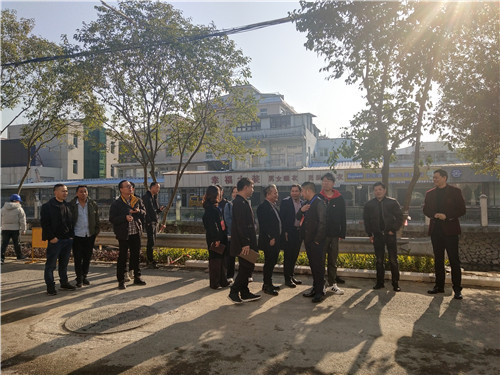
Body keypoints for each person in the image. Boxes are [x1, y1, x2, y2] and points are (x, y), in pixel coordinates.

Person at [423, 169, 466, 300]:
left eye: (436, 177)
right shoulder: (429, 193)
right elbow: (425, 209)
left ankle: (457, 289)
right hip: (436, 230)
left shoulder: (455, 191)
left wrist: (447, 216)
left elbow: (462, 210)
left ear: (444, 178)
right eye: (433, 178)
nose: (434, 180)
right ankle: (439, 286)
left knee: (454, 260)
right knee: (438, 260)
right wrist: (434, 215)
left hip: (451, 230)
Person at [363, 182, 404, 292]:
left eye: (380, 189)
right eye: (375, 190)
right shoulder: (369, 205)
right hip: (377, 235)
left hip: (389, 235)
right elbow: (366, 221)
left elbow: (400, 217)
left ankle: (395, 284)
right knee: (379, 260)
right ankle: (379, 282)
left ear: (384, 190)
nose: (378, 192)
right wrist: (369, 234)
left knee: (393, 260)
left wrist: (393, 229)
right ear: (373, 192)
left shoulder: (392, 202)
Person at [228, 177, 261, 304]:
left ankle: (245, 292)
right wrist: (246, 243)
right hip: (244, 243)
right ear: (246, 187)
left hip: (247, 241)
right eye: (252, 187)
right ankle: (234, 291)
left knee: (247, 267)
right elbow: (241, 225)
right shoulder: (239, 203)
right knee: (246, 268)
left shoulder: (243, 201)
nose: (253, 190)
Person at [109, 180, 147, 290]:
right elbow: (112, 219)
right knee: (123, 257)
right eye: (127, 186)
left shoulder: (137, 200)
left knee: (136, 256)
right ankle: (121, 280)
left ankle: (137, 276)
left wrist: (138, 211)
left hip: (136, 232)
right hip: (124, 234)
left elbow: (144, 213)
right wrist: (124, 218)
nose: (130, 188)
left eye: (130, 186)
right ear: (121, 189)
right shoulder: (117, 203)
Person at [41, 184, 76, 295]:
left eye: (66, 191)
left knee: (64, 264)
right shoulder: (47, 206)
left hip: (67, 240)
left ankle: (64, 283)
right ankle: (50, 286)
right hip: (55, 240)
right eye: (62, 191)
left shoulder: (68, 205)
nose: (65, 193)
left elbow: (71, 222)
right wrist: (51, 237)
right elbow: (45, 224)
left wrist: (71, 236)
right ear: (55, 192)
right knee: (51, 265)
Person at [296, 182, 327, 303]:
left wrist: (317, 240)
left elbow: (323, 223)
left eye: (302, 191)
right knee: (313, 266)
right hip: (308, 240)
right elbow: (298, 217)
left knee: (318, 267)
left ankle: (320, 291)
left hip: (316, 241)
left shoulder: (319, 202)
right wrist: (301, 210)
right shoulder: (305, 203)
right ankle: (315, 288)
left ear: (308, 191)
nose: (301, 194)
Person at [319, 173, 346, 295]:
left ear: (333, 183)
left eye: (329, 181)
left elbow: (343, 217)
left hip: (334, 234)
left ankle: (332, 283)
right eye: (324, 181)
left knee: (333, 260)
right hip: (322, 234)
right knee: (321, 260)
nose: (326, 183)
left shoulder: (339, 198)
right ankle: (321, 284)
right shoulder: (318, 197)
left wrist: (342, 233)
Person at [70, 185, 100, 287]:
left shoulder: (92, 204)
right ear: (76, 193)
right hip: (77, 235)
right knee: (78, 258)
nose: (83, 193)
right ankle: (79, 278)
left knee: (87, 257)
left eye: (85, 191)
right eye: (81, 192)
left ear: (87, 193)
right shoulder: (72, 205)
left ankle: (84, 276)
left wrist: (96, 231)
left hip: (89, 234)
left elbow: (97, 219)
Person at [202, 185, 229, 289]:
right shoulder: (210, 209)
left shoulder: (215, 207)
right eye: (219, 193)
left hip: (220, 236)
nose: (220, 194)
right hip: (215, 238)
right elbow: (212, 226)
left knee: (222, 260)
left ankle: (223, 281)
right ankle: (215, 283)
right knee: (215, 261)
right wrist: (216, 239)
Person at [257, 184, 282, 296]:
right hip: (269, 241)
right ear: (268, 194)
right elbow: (264, 225)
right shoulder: (263, 207)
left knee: (272, 263)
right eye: (274, 192)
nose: (277, 194)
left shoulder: (273, 206)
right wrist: (271, 237)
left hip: (276, 240)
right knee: (269, 263)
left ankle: (269, 283)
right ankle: (267, 286)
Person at [280, 184, 304, 288]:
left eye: (296, 191)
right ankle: (287, 279)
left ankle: (292, 275)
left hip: (299, 232)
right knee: (288, 256)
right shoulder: (285, 202)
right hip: (289, 232)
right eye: (292, 191)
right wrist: (284, 232)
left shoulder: (303, 203)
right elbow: (282, 218)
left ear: (300, 192)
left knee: (295, 255)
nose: (294, 193)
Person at [142, 182, 164, 269]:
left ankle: (150, 260)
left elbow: (153, 211)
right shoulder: (147, 197)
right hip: (149, 222)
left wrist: (159, 210)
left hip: (153, 222)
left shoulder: (153, 197)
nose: (158, 190)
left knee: (152, 241)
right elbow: (147, 211)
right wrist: (148, 221)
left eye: (159, 188)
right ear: (152, 187)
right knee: (150, 242)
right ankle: (150, 260)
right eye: (157, 187)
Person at [1, 194, 27, 263]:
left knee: (4, 244)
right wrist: (24, 229)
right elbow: (22, 220)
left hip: (5, 229)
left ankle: (1, 258)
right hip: (15, 229)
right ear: (17, 201)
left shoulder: (3, 209)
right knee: (16, 243)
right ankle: (19, 256)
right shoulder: (19, 209)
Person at [223, 186, 238, 284]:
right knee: (231, 257)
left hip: (241, 235)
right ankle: (230, 275)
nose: (235, 194)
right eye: (234, 192)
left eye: (237, 192)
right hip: (231, 235)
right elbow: (227, 220)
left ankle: (246, 275)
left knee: (243, 256)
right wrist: (236, 230)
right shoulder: (228, 205)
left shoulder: (244, 204)